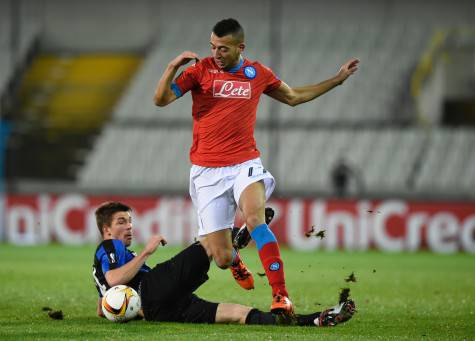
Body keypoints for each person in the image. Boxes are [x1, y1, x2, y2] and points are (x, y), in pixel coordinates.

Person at [153, 18, 359, 315]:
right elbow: (161, 100)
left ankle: (281, 296)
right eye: (212, 47)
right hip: (206, 170)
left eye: (222, 48)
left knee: (255, 219)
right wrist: (173, 66)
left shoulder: (257, 73)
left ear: (240, 47)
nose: (216, 53)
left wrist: (337, 79)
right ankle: (235, 254)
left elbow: (294, 97)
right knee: (221, 258)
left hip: (244, 163)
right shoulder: (200, 71)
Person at [92, 201, 356, 326]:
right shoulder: (109, 245)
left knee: (239, 314)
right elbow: (115, 280)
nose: (129, 227)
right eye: (121, 222)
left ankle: (315, 321)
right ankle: (234, 244)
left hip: (157, 310)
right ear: (106, 230)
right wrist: (146, 252)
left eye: (129, 221)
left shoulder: (102, 263)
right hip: (153, 290)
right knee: (208, 242)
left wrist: (120, 308)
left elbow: (104, 302)